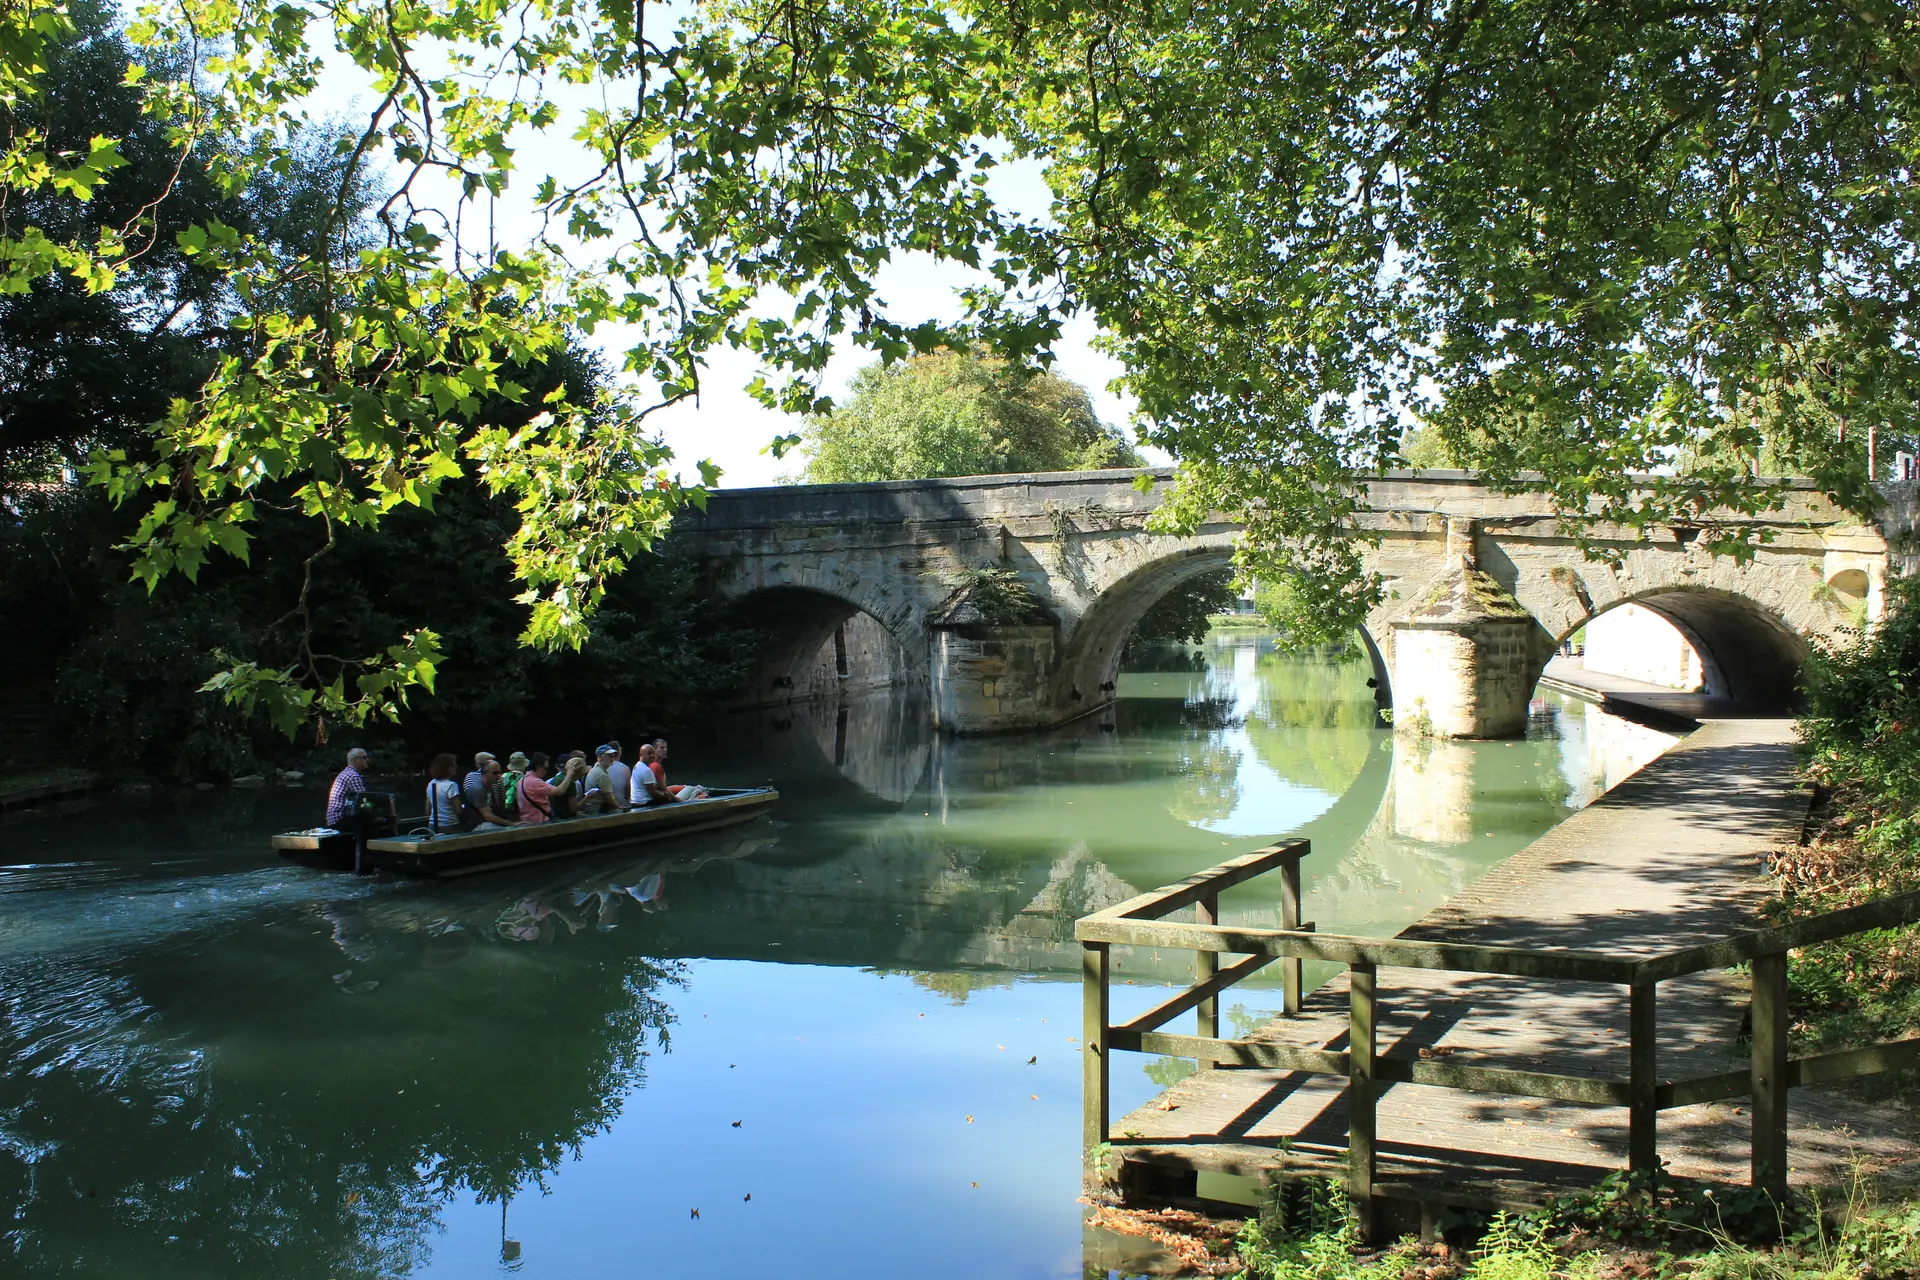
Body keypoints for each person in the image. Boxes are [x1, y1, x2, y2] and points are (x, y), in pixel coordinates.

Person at [325, 748, 371, 827]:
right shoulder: (353, 776)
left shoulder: (346, 773)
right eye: (364, 757)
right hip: (340, 820)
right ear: (355, 760)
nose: (367, 760)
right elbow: (363, 802)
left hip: (333, 820)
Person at [465, 758, 515, 827]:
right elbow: (487, 816)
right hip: (476, 826)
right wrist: (509, 823)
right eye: (495, 773)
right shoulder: (478, 789)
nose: (499, 775)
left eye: (499, 772)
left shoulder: (489, 787)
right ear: (485, 773)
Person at [425, 753, 465, 833]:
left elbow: (427, 810)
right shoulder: (451, 785)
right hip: (450, 826)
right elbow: (459, 811)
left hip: (432, 826)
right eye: (453, 765)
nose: (456, 766)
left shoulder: (431, 784)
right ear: (445, 768)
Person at [579, 745, 621, 816]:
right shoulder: (601, 775)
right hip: (598, 812)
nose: (612, 758)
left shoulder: (594, 770)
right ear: (600, 757)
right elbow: (610, 799)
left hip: (591, 811)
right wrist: (620, 809)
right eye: (609, 755)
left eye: (613, 755)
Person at [605, 741, 632, 812]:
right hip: (622, 807)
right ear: (618, 752)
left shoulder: (603, 768)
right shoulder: (625, 768)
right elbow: (628, 793)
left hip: (607, 808)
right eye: (620, 748)